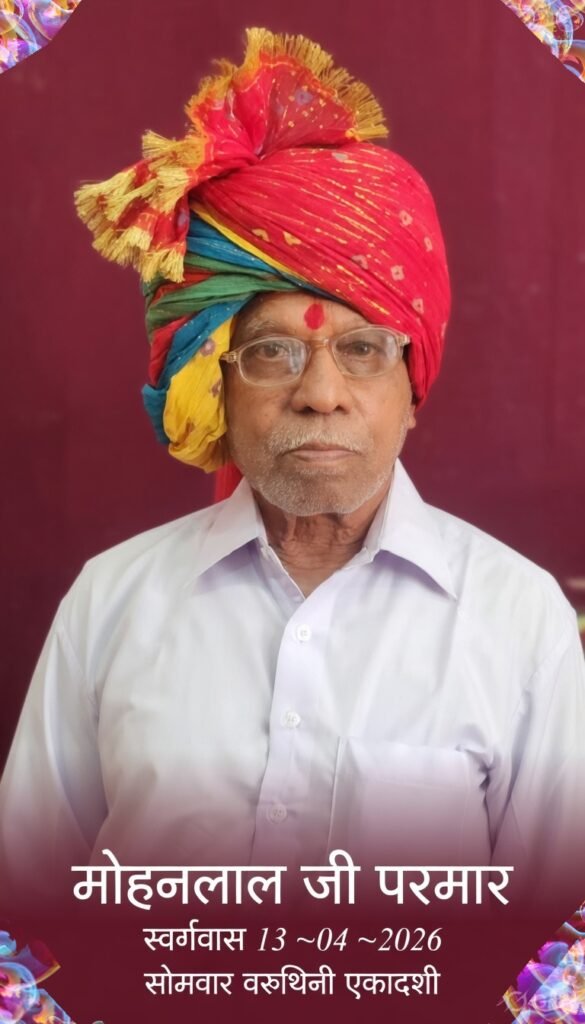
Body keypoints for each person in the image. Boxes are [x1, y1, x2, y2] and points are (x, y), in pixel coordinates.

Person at [1, 28, 583, 910]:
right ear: (219, 383)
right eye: (272, 352)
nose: (320, 395)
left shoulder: (517, 617)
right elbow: (27, 915)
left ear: (411, 389)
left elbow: (550, 943)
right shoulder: (111, 600)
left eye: (362, 351)